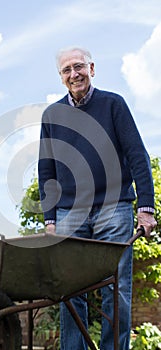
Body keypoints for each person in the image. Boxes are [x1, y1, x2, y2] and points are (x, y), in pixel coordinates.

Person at [38, 46, 157, 350]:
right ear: (61, 77)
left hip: (113, 207)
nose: (74, 74)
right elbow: (46, 169)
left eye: (79, 67)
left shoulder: (113, 104)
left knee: (117, 289)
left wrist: (146, 208)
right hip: (69, 213)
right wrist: (50, 219)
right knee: (69, 290)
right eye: (67, 70)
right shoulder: (52, 115)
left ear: (92, 69)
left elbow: (137, 155)